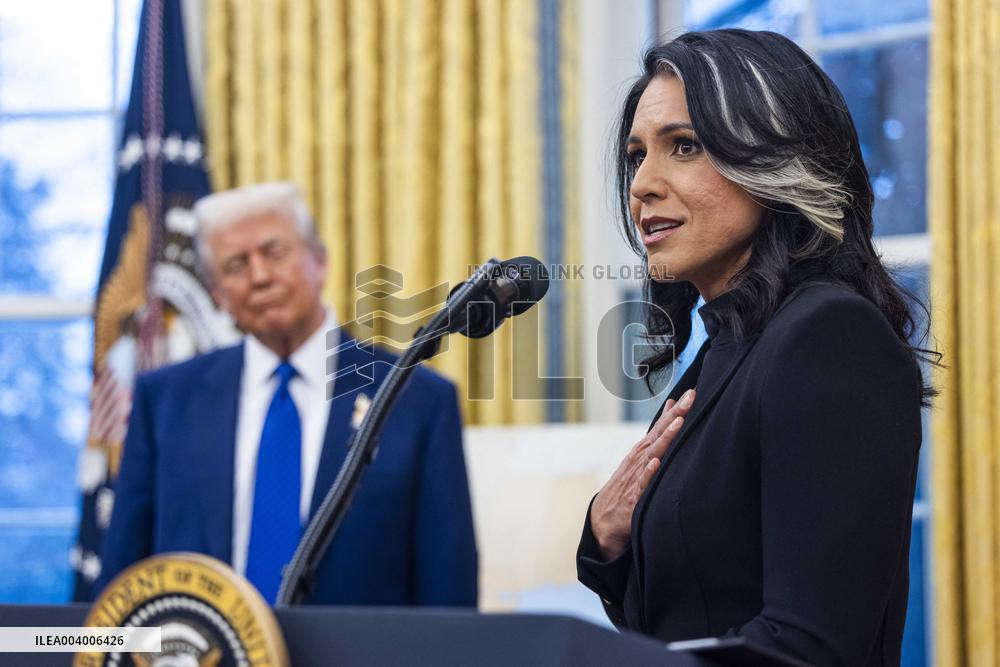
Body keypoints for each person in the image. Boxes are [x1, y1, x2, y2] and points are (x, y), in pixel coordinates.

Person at [576, 30, 935, 666]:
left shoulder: (829, 336)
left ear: (773, 161)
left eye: (683, 146)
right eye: (636, 156)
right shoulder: (725, 350)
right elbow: (676, 616)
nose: (642, 186)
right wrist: (605, 539)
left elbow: (807, 647)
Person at [99, 182, 478, 607]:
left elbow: (449, 590)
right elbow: (123, 581)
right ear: (217, 294)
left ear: (320, 262)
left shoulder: (416, 398)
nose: (260, 276)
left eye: (275, 253)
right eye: (236, 265)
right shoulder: (165, 402)